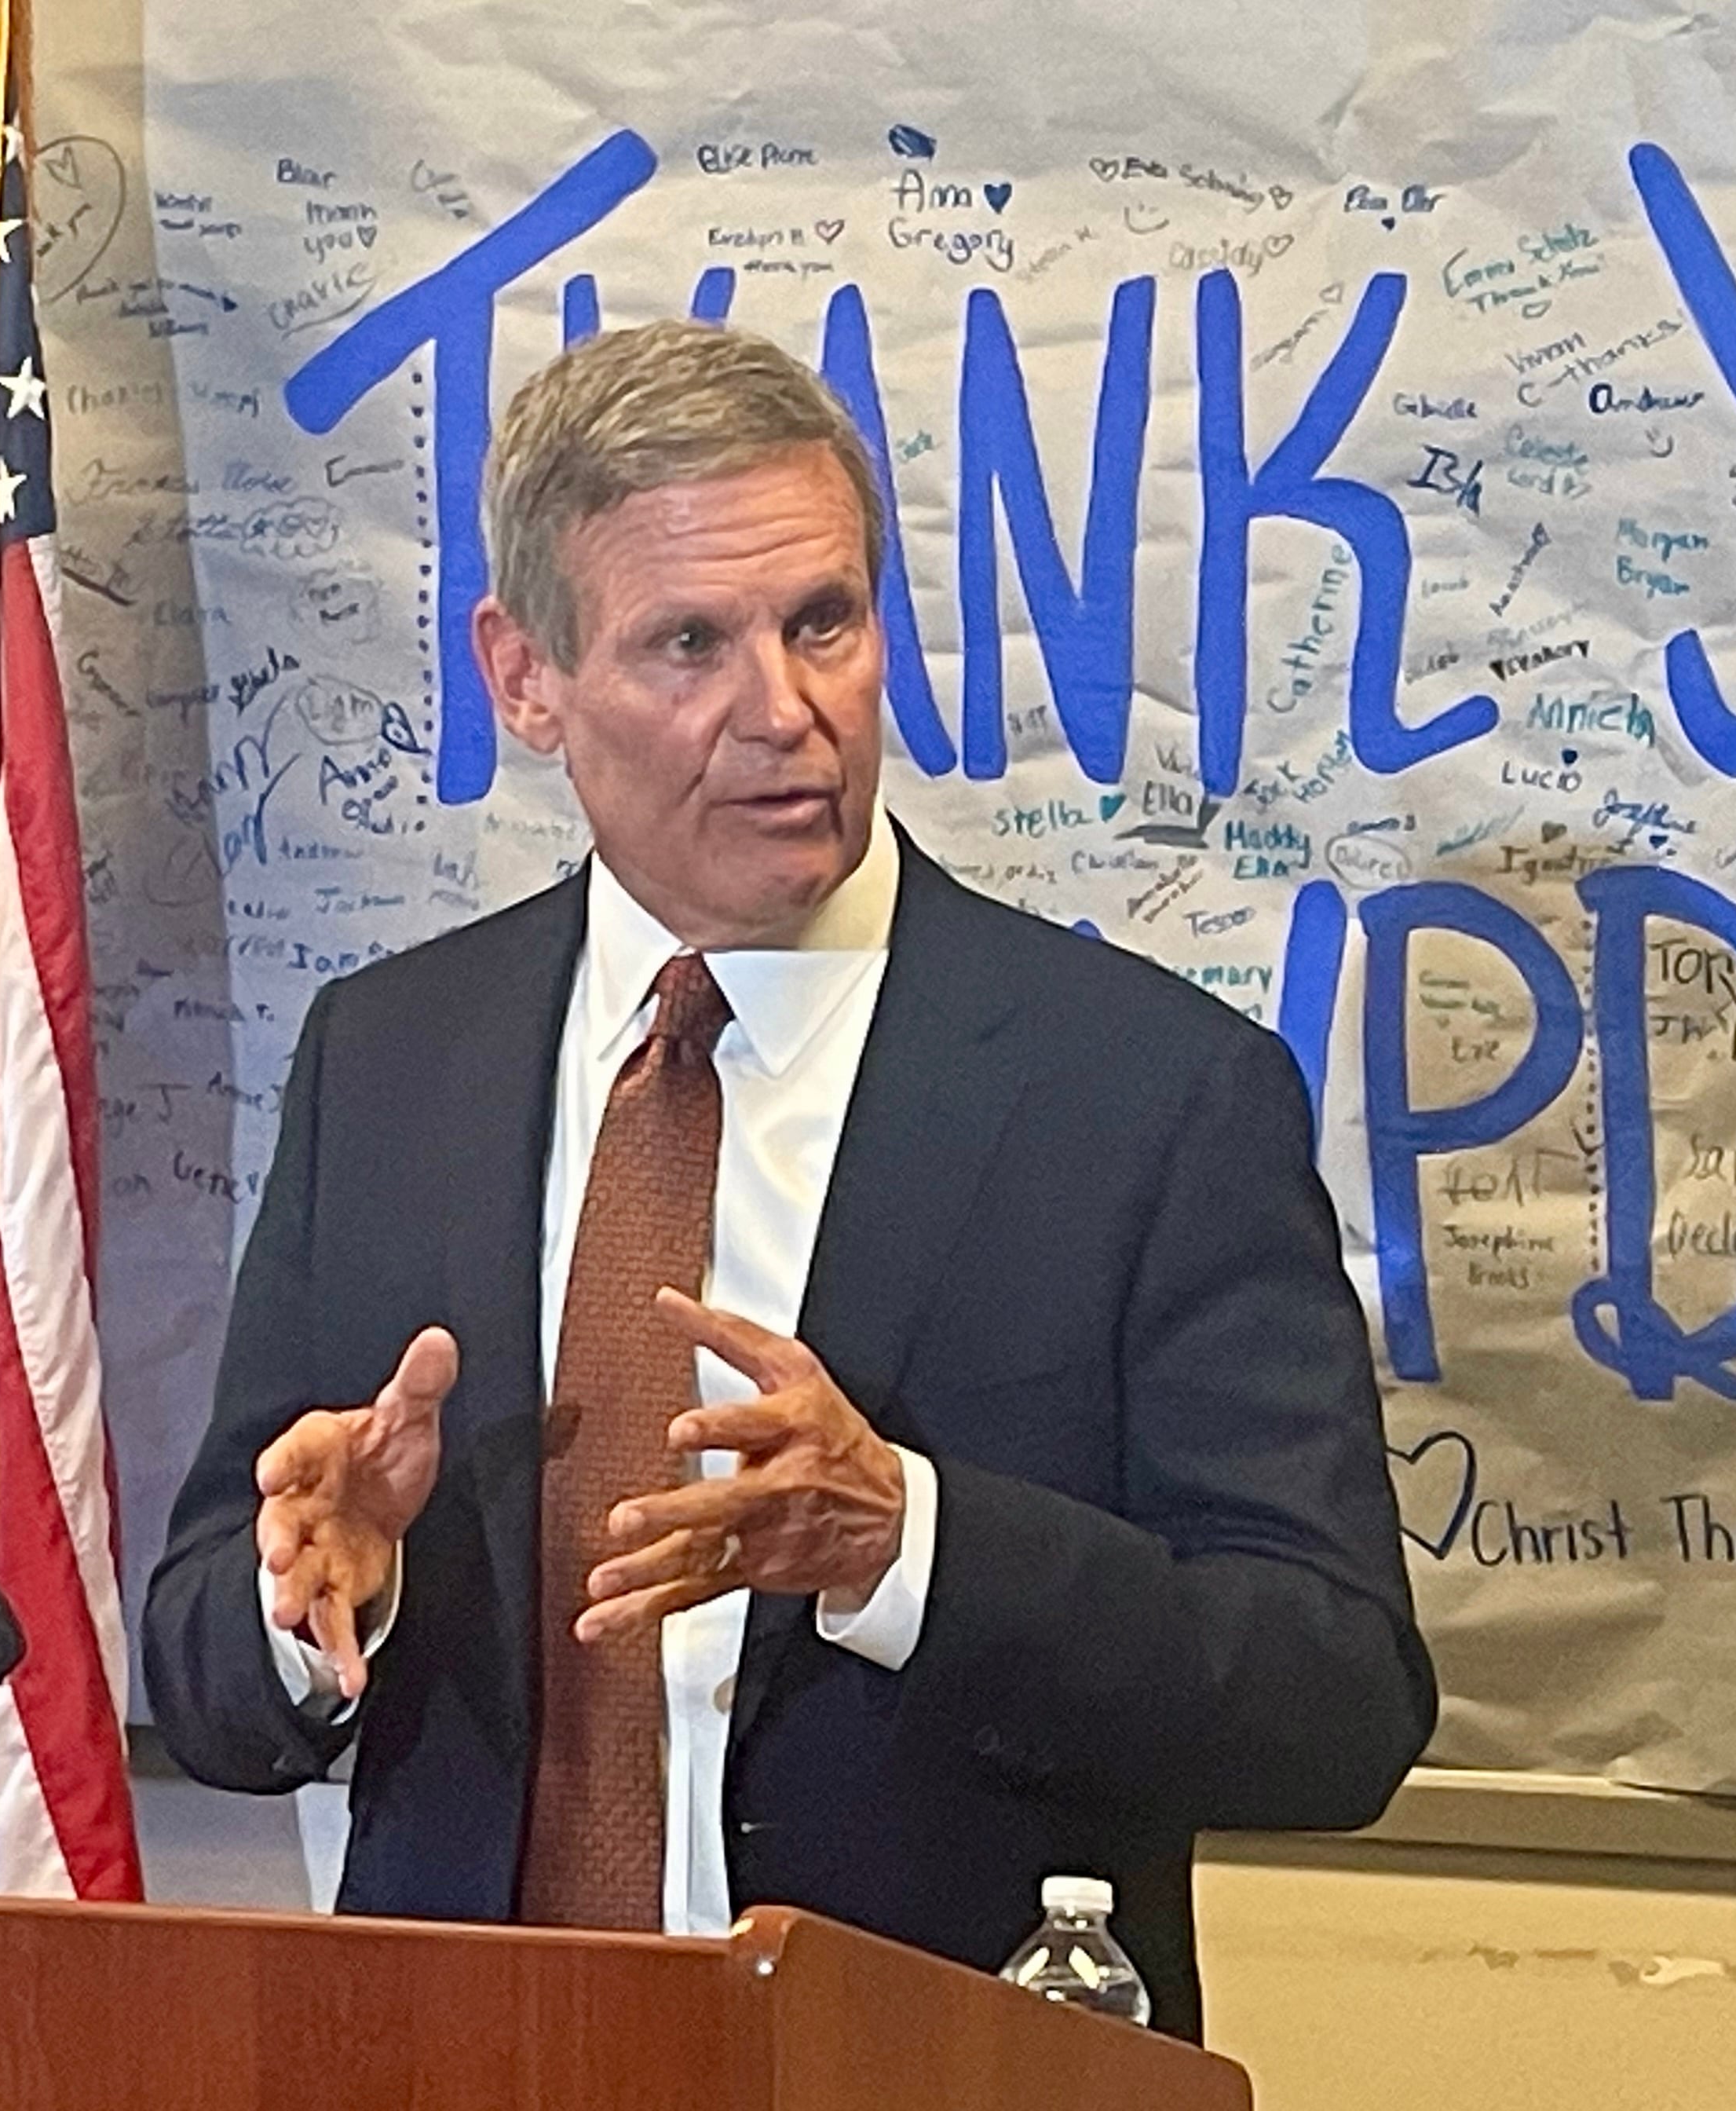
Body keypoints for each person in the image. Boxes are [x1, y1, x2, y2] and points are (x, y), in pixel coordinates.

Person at [144, 318, 1432, 2039]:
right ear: (526, 678)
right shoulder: (395, 1059)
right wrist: (316, 1601)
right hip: (468, 2068)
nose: (786, 709)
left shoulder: (1148, 1096)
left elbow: (1334, 1700)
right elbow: (212, 1676)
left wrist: (908, 1546)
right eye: (691, 643)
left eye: (823, 621)